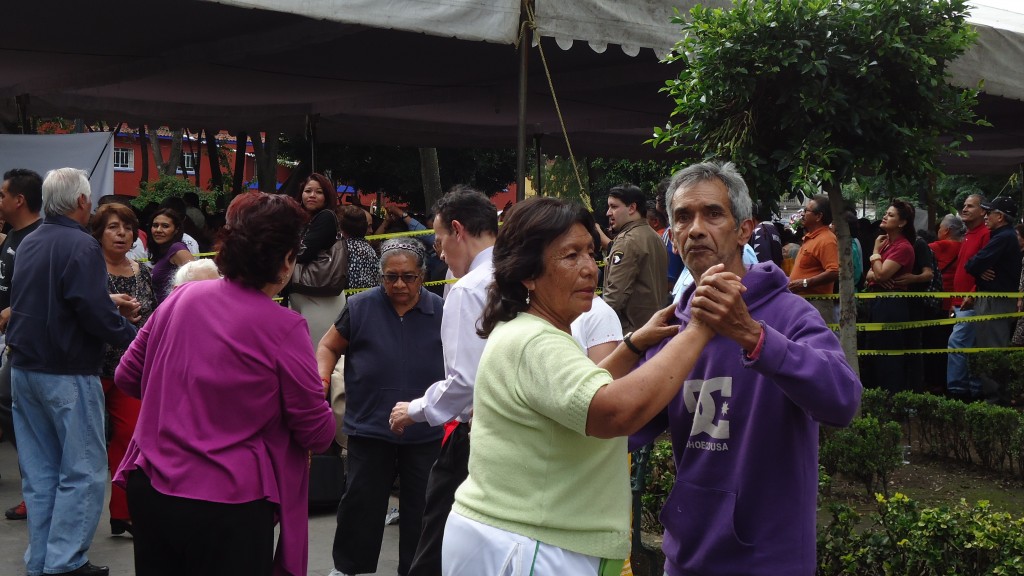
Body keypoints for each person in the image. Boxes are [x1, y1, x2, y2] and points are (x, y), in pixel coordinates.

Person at [443, 196, 713, 575]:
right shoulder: (537, 342)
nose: (590, 269)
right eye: (571, 256)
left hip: (524, 536)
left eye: (590, 252)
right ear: (528, 273)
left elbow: (583, 391)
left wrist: (634, 345)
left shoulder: (528, 331)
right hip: (531, 544)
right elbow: (612, 411)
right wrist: (701, 326)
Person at [630, 161, 861, 576]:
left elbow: (843, 401)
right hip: (685, 558)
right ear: (671, 235)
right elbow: (625, 428)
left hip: (770, 561)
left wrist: (754, 337)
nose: (696, 228)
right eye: (683, 217)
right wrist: (629, 348)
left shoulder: (791, 314)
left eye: (712, 214)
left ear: (743, 230)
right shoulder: (669, 329)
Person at [113, 191, 336, 576]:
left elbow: (128, 376)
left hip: (152, 485)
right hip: (229, 499)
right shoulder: (284, 328)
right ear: (285, 261)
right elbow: (317, 432)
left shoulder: (182, 297)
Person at [9, 167, 140, 576]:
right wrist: (132, 334)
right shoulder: (80, 245)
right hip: (65, 371)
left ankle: (44, 560)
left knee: (41, 473)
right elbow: (91, 312)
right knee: (82, 471)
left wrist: (105, 305)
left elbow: (59, 300)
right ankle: (66, 562)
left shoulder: (30, 242)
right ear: (83, 202)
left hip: (26, 368)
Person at [387, 186, 497, 576]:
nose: (439, 252)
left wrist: (414, 410)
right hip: (518, 435)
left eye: (438, 240)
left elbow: (465, 381)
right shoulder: (519, 274)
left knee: (436, 539)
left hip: (478, 436)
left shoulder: (468, 289)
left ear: (457, 230)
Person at [320, 238, 444, 576]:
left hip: (424, 428)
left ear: (423, 276)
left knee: (423, 507)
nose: (400, 284)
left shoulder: (441, 311)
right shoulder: (360, 306)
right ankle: (348, 568)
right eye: (391, 277)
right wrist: (322, 378)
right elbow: (328, 346)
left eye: (409, 276)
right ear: (380, 276)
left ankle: (417, 570)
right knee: (361, 502)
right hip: (370, 425)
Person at [91, 203, 157, 537]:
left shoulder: (141, 270)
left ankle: (123, 512)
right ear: (98, 232)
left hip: (130, 368)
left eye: (127, 228)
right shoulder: (88, 269)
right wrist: (114, 314)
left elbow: (153, 318)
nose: (121, 234)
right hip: (90, 366)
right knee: (84, 444)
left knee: (131, 438)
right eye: (113, 227)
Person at [0, 168, 43, 522]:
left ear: (20, 200)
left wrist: (14, 309)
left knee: (12, 404)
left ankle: (39, 480)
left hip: (28, 344)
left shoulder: (38, 238)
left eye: (2, 195)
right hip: (9, 340)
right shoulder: (11, 236)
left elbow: (48, 290)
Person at [863, 200, 917, 394]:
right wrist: (878, 272)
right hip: (877, 301)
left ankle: (891, 398)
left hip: (892, 304)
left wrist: (875, 254)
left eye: (891, 215)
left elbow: (881, 275)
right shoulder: (887, 244)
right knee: (874, 351)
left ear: (902, 223)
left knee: (889, 355)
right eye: (886, 213)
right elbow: (870, 274)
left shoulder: (903, 247)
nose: (885, 216)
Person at [602, 184, 669, 332]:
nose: (608, 213)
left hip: (632, 335)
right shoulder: (654, 236)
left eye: (614, 207)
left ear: (632, 208)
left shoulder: (627, 241)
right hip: (653, 329)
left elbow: (614, 298)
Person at [290, 173, 345, 348]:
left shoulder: (326, 217)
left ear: (326, 196)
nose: (312, 195)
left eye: (318, 192)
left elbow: (304, 252)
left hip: (321, 297)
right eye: (308, 191)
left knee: (317, 355)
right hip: (300, 294)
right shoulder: (301, 220)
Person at [947, 194, 991, 400]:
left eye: (970, 206)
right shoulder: (967, 235)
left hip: (971, 303)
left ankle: (958, 391)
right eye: (964, 205)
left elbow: (987, 269)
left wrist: (973, 294)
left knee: (957, 343)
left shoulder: (985, 234)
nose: (964, 209)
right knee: (969, 347)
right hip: (959, 302)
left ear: (983, 211)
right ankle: (972, 391)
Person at [788, 195, 840, 322]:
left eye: (806, 211)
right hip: (804, 303)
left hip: (816, 305)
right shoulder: (811, 237)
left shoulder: (827, 239)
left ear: (819, 216)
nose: (803, 214)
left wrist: (805, 283)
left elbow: (834, 271)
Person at [148, 207, 195, 304]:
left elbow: (197, 278)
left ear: (176, 230)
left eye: (165, 226)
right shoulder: (163, 251)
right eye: (155, 225)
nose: (158, 230)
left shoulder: (177, 249)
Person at [338, 204, 381, 290]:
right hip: (368, 299)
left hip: (346, 300)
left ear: (341, 228)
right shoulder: (370, 251)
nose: (371, 230)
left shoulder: (340, 249)